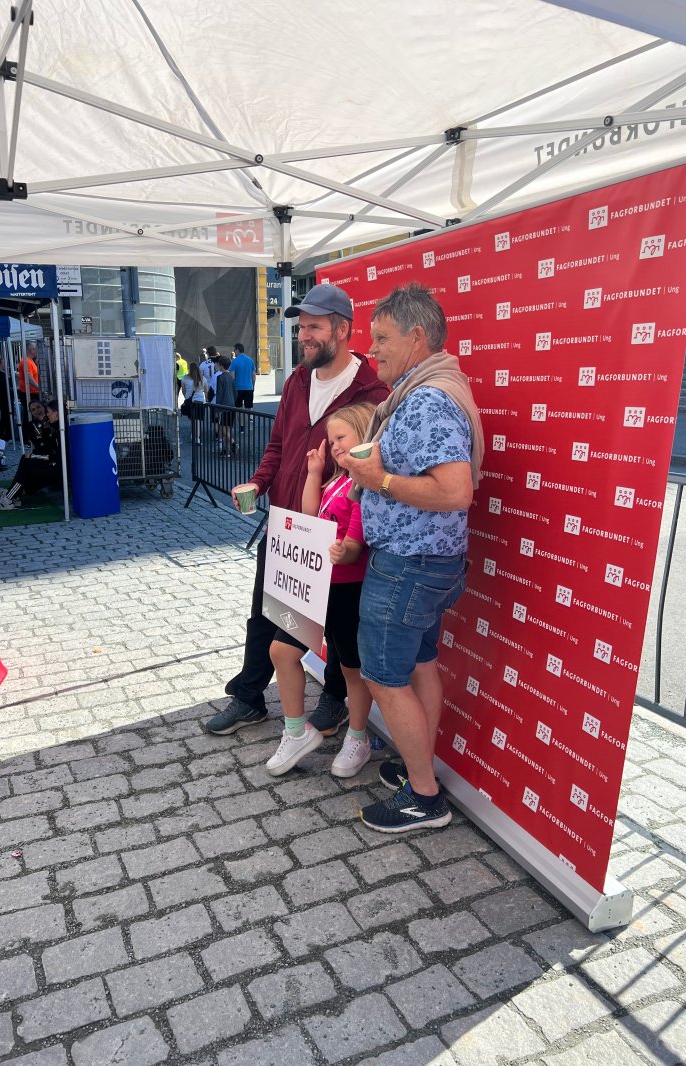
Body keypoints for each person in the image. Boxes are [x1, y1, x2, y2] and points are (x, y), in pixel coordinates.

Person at [205, 282, 388, 736]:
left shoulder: (373, 389)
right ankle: (249, 697)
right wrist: (258, 481)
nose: (303, 335)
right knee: (267, 613)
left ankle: (334, 698)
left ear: (342, 330)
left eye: (313, 327)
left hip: (336, 527)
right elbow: (279, 446)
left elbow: (372, 466)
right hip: (286, 522)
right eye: (301, 327)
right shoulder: (297, 380)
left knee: (340, 625)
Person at [343, 283, 484, 834]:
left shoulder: (426, 399)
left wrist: (378, 478)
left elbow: (454, 491)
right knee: (421, 663)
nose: (371, 350)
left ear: (417, 337)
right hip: (428, 562)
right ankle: (414, 762)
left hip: (409, 563)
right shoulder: (425, 389)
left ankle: (423, 799)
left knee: (382, 675)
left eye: (382, 339)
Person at [266, 403, 376, 778]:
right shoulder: (337, 480)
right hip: (313, 587)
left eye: (341, 438)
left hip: (347, 591)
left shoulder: (364, 485)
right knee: (281, 650)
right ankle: (296, 731)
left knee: (352, 667)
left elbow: (356, 541)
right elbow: (311, 514)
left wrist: (347, 549)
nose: (334, 447)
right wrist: (315, 472)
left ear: (365, 436)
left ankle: (358, 737)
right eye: (331, 441)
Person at [0, 399, 62, 508]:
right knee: (26, 462)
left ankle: (9, 496)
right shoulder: (33, 425)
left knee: (27, 463)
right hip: (46, 459)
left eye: (38, 407)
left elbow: (51, 450)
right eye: (33, 410)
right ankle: (11, 494)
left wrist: (34, 454)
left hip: (52, 462)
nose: (37, 411)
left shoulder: (56, 426)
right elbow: (39, 444)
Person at [215, 354, 237, 456]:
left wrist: (217, 409)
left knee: (223, 429)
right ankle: (228, 451)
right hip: (232, 405)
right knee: (228, 428)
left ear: (221, 366)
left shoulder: (220, 378)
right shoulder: (231, 377)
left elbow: (219, 394)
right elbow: (235, 392)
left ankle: (232, 443)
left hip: (224, 406)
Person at [180, 360, 206, 444]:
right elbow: (206, 390)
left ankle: (193, 435)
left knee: (192, 420)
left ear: (189, 369)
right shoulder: (202, 378)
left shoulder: (185, 378)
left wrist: (187, 397)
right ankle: (197, 438)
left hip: (190, 402)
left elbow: (183, 390)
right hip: (200, 401)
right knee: (198, 420)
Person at [17, 343, 40, 432]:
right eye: (35, 349)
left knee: (31, 415)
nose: (37, 351)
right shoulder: (26, 362)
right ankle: (27, 438)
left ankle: (29, 437)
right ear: (31, 350)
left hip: (32, 392)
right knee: (29, 415)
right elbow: (29, 379)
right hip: (29, 393)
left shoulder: (30, 361)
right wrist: (39, 389)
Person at [230, 342, 256, 411]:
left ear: (237, 350)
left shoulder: (234, 361)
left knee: (238, 408)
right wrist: (253, 386)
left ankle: (241, 422)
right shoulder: (250, 360)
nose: (234, 352)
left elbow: (232, 376)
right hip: (249, 387)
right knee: (248, 407)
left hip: (238, 388)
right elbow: (253, 376)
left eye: (234, 350)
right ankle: (249, 421)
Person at [0, 355, 13, 442]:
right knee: (5, 416)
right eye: (4, 363)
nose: (6, 364)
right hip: (4, 397)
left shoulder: (4, 373)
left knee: (6, 416)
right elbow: (4, 386)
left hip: (7, 396)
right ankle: (3, 434)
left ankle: (5, 434)